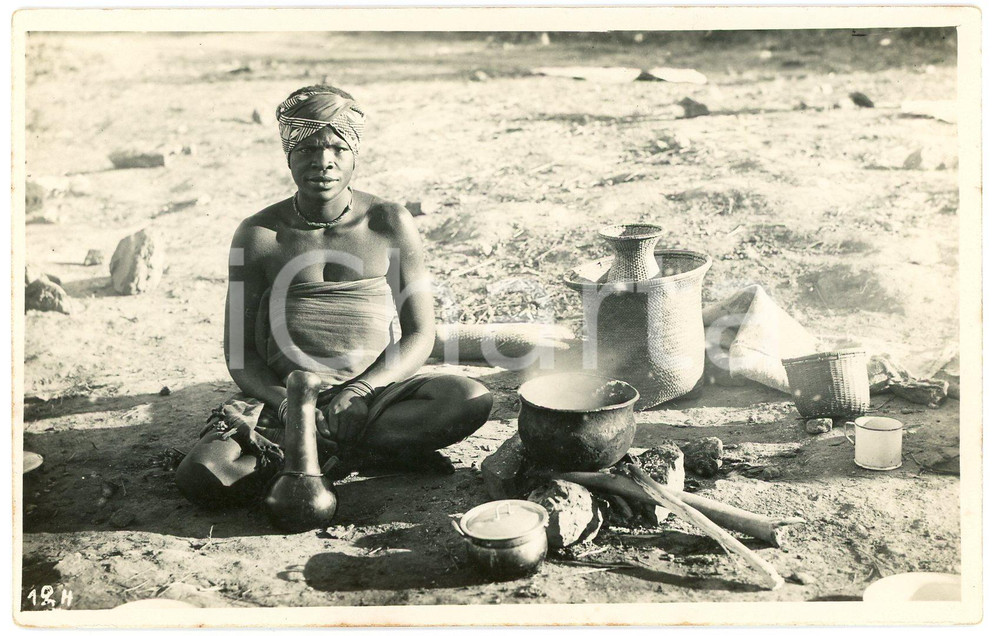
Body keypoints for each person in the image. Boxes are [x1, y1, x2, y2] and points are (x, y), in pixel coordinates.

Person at [175, 85, 493, 508]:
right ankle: (359, 452)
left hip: (371, 397)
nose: (323, 162)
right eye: (307, 148)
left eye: (338, 148)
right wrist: (291, 406)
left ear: (355, 154)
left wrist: (360, 391)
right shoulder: (258, 236)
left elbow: (420, 335)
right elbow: (240, 355)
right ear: (288, 154)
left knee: (469, 398)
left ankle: (310, 457)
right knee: (204, 475)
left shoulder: (388, 223)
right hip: (282, 399)